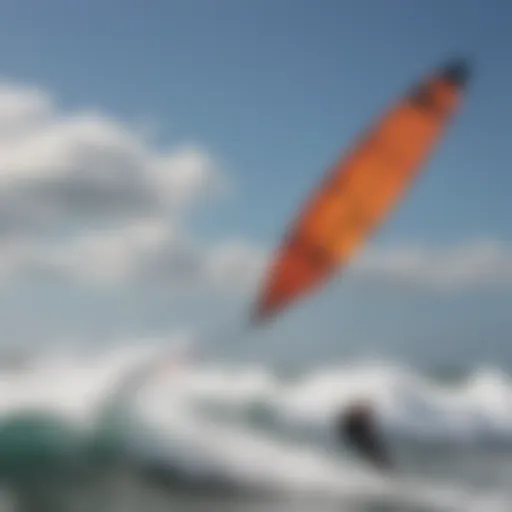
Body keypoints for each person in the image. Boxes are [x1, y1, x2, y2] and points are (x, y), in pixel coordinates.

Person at [334, 400, 392, 470]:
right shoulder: (353, 421)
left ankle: (384, 465)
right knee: (372, 452)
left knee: (376, 452)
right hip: (359, 439)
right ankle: (383, 466)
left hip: (363, 438)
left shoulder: (358, 421)